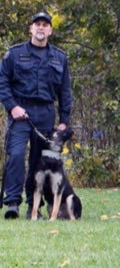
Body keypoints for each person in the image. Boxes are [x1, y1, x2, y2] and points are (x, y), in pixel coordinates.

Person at [0, 11, 72, 219]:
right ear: (30, 29)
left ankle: (35, 206)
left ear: (50, 30)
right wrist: (12, 107)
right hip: (21, 112)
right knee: (15, 155)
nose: (41, 28)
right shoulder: (14, 54)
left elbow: (65, 92)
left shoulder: (59, 58)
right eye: (37, 24)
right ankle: (12, 202)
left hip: (46, 113)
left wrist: (64, 121)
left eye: (45, 25)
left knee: (38, 162)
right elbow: (2, 82)